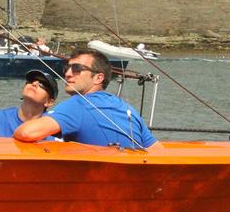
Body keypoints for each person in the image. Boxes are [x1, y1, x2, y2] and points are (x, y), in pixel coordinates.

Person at [13, 49, 159, 150]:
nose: (68, 74)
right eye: (66, 69)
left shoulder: (78, 104)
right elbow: (157, 151)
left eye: (77, 68)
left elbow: (26, 133)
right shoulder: (127, 108)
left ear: (98, 78)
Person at [0, 70, 59, 138]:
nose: (34, 84)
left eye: (42, 84)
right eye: (31, 81)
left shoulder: (54, 127)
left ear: (49, 102)